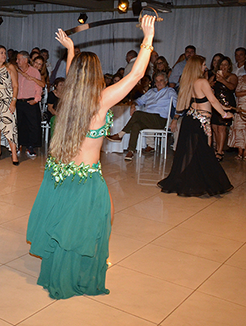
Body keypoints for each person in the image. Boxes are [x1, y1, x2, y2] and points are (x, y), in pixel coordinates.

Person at [27, 15, 157, 300]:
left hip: (60, 174)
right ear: (96, 73)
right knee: (95, 220)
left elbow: (75, 74)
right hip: (86, 177)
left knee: (70, 223)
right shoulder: (100, 100)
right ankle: (83, 266)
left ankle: (77, 261)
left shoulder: (71, 97)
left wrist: (71, 50)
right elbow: (135, 76)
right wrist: (147, 38)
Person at [159, 55, 233, 196]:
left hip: (191, 119)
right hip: (202, 120)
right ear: (197, 66)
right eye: (203, 64)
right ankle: (206, 183)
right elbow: (211, 100)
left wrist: (224, 108)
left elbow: (200, 101)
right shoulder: (202, 81)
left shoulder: (188, 81)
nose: (205, 66)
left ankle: (187, 179)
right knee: (205, 151)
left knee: (192, 152)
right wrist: (224, 114)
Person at [107, 72, 177, 160]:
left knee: (137, 114)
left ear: (166, 82)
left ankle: (121, 134)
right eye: (157, 81)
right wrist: (133, 105)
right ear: (154, 83)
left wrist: (175, 118)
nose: (159, 83)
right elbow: (139, 101)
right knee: (136, 125)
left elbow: (177, 105)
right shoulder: (151, 92)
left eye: (161, 80)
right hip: (147, 119)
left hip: (160, 119)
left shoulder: (170, 91)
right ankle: (131, 151)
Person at [210, 56, 237, 161]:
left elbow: (232, 87)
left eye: (226, 64)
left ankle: (220, 151)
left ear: (229, 66)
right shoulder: (214, 76)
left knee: (222, 128)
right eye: (222, 64)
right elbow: (207, 86)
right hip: (215, 104)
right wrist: (213, 82)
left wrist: (222, 80)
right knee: (215, 128)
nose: (223, 67)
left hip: (227, 104)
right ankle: (216, 149)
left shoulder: (232, 76)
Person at [16, 51, 43, 157]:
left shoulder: (34, 72)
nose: (17, 61)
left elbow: (38, 86)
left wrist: (36, 99)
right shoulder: (16, 71)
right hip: (19, 101)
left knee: (32, 125)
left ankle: (31, 146)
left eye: (19, 59)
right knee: (19, 125)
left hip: (31, 101)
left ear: (25, 60)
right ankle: (19, 145)